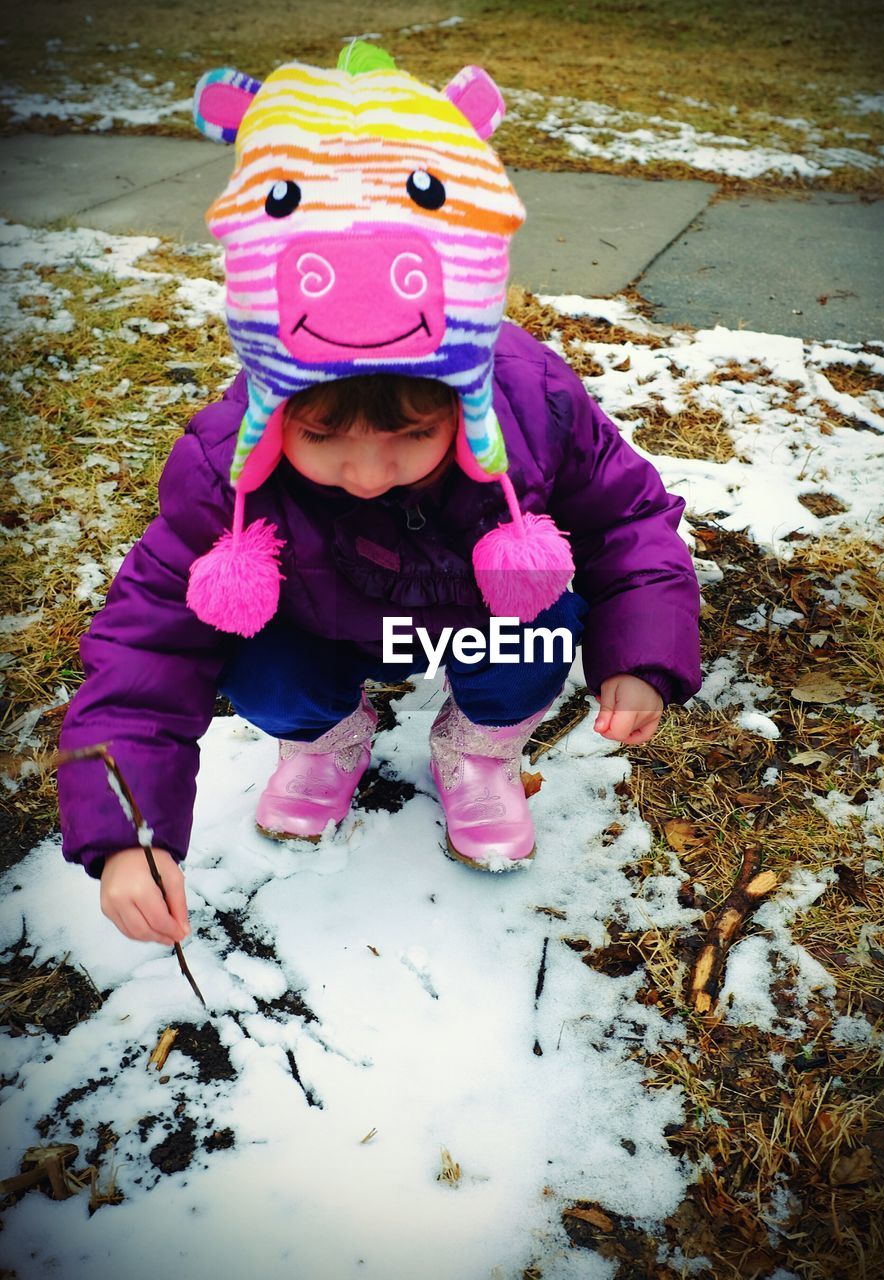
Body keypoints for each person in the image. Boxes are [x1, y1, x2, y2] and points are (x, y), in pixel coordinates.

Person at [56, 42, 701, 948]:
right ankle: (323, 737)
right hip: (321, 626)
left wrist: (640, 655)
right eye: (323, 439)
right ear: (278, 410)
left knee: (540, 628)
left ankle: (479, 747)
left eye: (412, 436)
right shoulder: (226, 469)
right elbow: (145, 653)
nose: (367, 473)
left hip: (477, 612)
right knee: (264, 670)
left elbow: (628, 522)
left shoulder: (532, 406)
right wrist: (128, 837)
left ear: (464, 399)